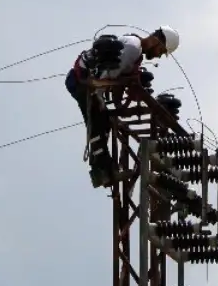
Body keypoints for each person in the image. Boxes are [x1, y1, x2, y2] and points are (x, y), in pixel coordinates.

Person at [65, 26, 181, 188]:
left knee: (102, 124)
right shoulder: (133, 48)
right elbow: (108, 76)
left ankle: (103, 168)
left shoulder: (135, 49)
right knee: (98, 124)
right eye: (160, 51)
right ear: (157, 41)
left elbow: (117, 79)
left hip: (87, 82)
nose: (158, 56)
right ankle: (102, 170)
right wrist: (99, 100)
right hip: (82, 82)